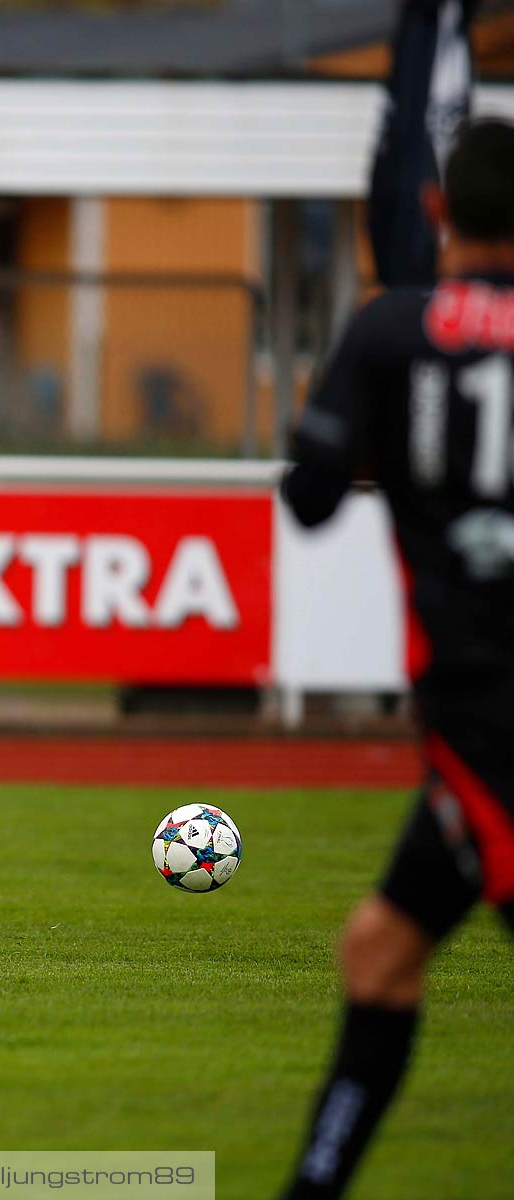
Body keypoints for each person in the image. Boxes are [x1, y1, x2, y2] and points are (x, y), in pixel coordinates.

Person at [276, 118, 514, 1200]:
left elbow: (312, 499)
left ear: (434, 210)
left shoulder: (390, 331)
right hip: (475, 732)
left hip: (489, 711)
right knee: (379, 950)